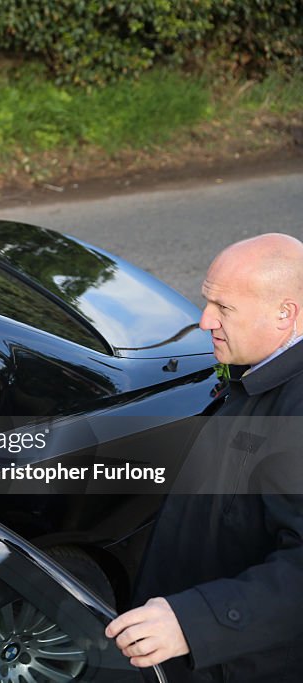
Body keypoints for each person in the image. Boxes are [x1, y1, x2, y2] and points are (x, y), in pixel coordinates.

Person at [106, 233, 303, 681]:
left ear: (285, 313)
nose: (204, 321)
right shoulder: (254, 369)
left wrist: (193, 622)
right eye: (206, 301)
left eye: (224, 308)